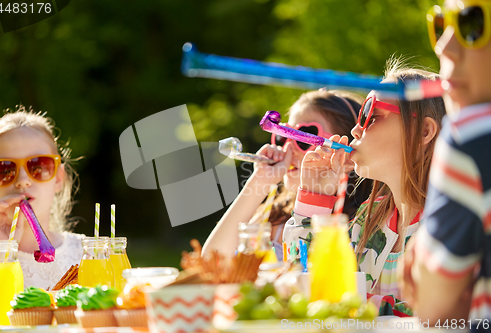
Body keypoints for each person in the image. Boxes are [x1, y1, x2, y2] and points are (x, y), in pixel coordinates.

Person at [283, 60, 446, 315]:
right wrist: (315, 198)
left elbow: (438, 316)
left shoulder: (451, 224)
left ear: (424, 131)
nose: (356, 128)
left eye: (372, 115)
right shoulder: (369, 218)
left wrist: (347, 301)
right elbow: (304, 281)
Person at [400, 0, 491, 326]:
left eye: (472, 22)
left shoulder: (472, 137)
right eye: (441, 23)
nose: (444, 46)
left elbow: (435, 310)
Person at [203, 89, 373, 259]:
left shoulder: (358, 228)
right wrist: (260, 181)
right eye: (283, 137)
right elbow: (213, 261)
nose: (288, 149)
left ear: (346, 153)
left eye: (304, 139)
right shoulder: (274, 218)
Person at [0, 106, 82, 289]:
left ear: (58, 178)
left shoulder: (88, 255)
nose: (22, 181)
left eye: (38, 166)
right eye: (5, 170)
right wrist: (1, 254)